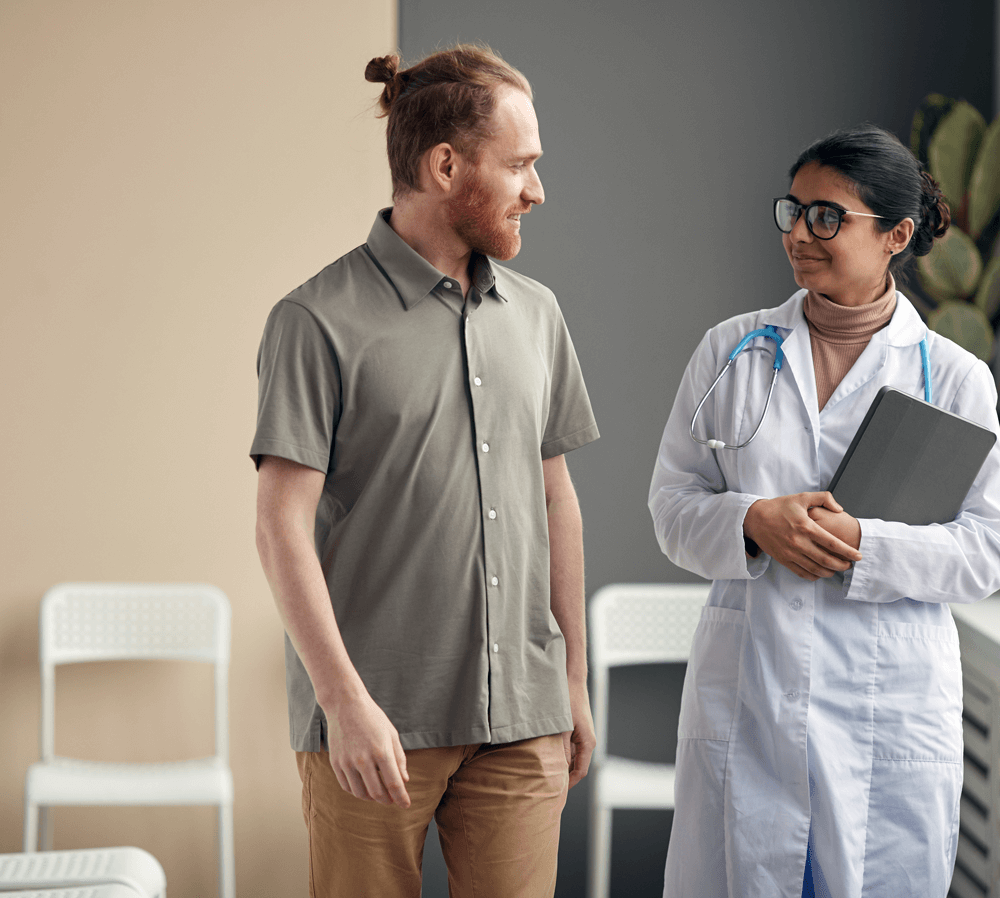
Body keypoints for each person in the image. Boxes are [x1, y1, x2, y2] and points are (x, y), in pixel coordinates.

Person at [251, 44, 599, 898]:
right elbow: (279, 526)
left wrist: (573, 685)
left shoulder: (538, 315)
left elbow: (556, 496)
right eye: (519, 165)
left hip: (522, 714)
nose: (537, 190)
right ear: (446, 165)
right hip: (374, 722)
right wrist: (342, 705)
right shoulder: (314, 321)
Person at [649, 124, 1000, 898]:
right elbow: (672, 506)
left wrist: (865, 545)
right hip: (752, 693)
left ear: (896, 235)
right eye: (795, 210)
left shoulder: (955, 378)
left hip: (886, 707)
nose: (800, 234)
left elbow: (986, 551)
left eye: (828, 217)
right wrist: (751, 522)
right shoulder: (730, 351)